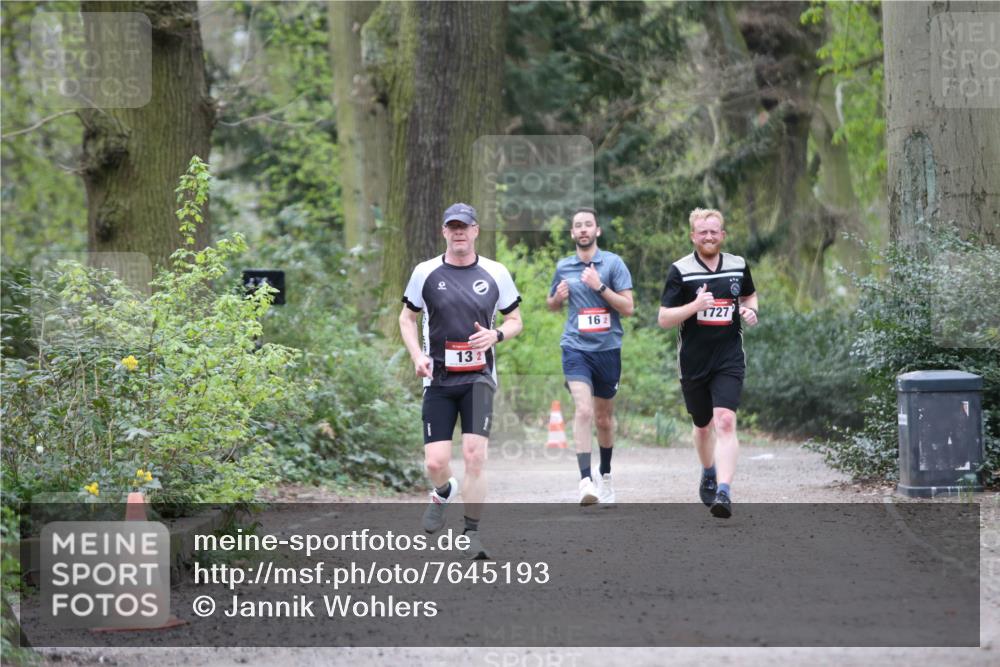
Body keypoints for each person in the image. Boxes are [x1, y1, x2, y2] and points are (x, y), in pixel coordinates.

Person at [399, 202, 523, 558]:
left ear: (475, 231)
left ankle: (471, 533)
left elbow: (515, 320)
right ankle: (443, 491)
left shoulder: (496, 272)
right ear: (443, 232)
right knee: (435, 463)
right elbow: (407, 318)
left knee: (474, 456)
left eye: (464, 227)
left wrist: (496, 336)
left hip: (479, 379)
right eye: (452, 227)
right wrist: (417, 355)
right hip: (437, 379)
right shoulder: (425, 272)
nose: (458, 232)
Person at [658, 207, 758, 518]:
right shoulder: (681, 270)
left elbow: (749, 297)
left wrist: (750, 311)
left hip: (729, 357)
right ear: (693, 236)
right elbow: (664, 319)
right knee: (702, 427)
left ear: (723, 235)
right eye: (703, 232)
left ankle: (724, 491)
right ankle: (708, 470)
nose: (709, 236)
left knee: (725, 420)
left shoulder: (738, 266)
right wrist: (695, 305)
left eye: (715, 231)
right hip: (693, 361)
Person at [547, 207, 634, 505]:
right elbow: (552, 305)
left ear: (597, 231)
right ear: (572, 233)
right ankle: (585, 481)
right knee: (583, 411)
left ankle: (605, 474)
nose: (583, 230)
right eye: (578, 226)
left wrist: (600, 287)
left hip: (607, 350)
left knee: (604, 419)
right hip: (575, 348)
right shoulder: (564, 266)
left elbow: (628, 307)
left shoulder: (613, 263)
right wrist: (557, 299)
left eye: (588, 225)